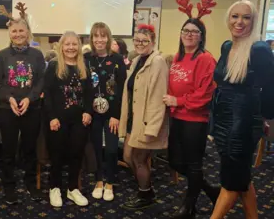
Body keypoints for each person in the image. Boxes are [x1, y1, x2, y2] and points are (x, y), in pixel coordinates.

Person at [210, 0, 274, 219]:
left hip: (244, 123)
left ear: (254, 21)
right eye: (235, 16)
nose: (239, 22)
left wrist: (267, 118)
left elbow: (271, 88)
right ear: (228, 19)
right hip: (223, 119)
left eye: (246, 17)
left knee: (230, 182)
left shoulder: (259, 49)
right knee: (242, 179)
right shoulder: (227, 46)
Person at [163, 18, 219, 218]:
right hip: (176, 117)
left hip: (195, 120)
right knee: (176, 162)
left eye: (194, 31)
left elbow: (206, 93)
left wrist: (177, 101)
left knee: (194, 164)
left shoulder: (205, 59)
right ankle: (212, 190)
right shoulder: (178, 56)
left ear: (201, 36)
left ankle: (189, 207)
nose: (189, 34)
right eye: (185, 30)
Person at [0, 16, 45, 204]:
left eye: (21, 31)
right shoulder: (2, 56)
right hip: (8, 109)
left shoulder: (37, 55)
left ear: (28, 32)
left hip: (32, 108)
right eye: (14, 31)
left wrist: (30, 99)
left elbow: (40, 82)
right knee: (8, 150)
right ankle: (9, 186)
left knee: (29, 149)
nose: (18, 34)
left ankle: (30, 183)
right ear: (9, 33)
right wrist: (11, 98)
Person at [118, 24, 169, 210]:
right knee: (127, 156)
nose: (140, 44)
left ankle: (145, 194)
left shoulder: (157, 62)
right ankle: (145, 188)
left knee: (139, 158)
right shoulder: (138, 59)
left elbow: (158, 97)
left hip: (147, 121)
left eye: (144, 41)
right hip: (134, 119)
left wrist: (152, 128)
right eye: (137, 40)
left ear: (153, 42)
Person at [44, 31, 93, 208]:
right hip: (58, 120)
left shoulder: (84, 66)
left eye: (74, 44)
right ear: (61, 46)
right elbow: (47, 94)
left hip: (79, 120)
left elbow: (89, 93)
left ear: (78, 47)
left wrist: (88, 111)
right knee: (56, 155)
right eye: (67, 44)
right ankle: (55, 187)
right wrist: (52, 117)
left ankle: (72, 188)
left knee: (76, 154)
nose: (71, 47)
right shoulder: (53, 66)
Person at [84, 22, 127, 202]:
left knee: (110, 149)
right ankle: (99, 181)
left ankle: (110, 182)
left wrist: (116, 115)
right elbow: (84, 88)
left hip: (111, 114)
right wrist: (87, 111)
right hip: (93, 113)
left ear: (108, 38)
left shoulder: (117, 59)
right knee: (96, 149)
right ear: (92, 39)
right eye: (96, 36)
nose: (99, 40)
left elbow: (122, 89)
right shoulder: (86, 58)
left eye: (103, 36)